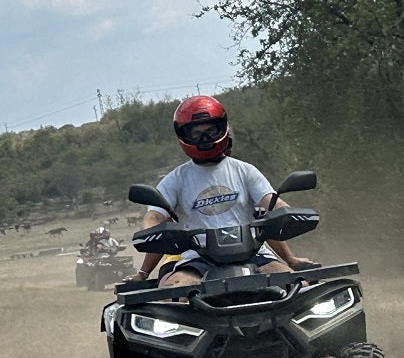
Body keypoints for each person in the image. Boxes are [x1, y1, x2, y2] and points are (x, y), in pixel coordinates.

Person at [124, 95, 314, 287]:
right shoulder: (174, 180)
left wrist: (286, 215)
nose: (204, 139)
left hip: (255, 254)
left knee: (298, 286)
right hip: (197, 261)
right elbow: (155, 216)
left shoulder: (245, 170)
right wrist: (149, 230)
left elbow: (272, 204)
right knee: (171, 292)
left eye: (210, 131)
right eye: (196, 134)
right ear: (182, 136)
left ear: (223, 129)